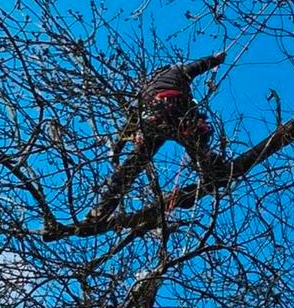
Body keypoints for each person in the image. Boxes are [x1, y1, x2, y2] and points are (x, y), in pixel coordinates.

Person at [86, 52, 230, 222]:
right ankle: (212, 172)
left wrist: (117, 149)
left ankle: (100, 211)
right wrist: (214, 59)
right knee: (197, 142)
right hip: (175, 112)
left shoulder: (143, 92)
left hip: (151, 121)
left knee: (130, 168)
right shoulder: (176, 72)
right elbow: (195, 67)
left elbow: (130, 123)